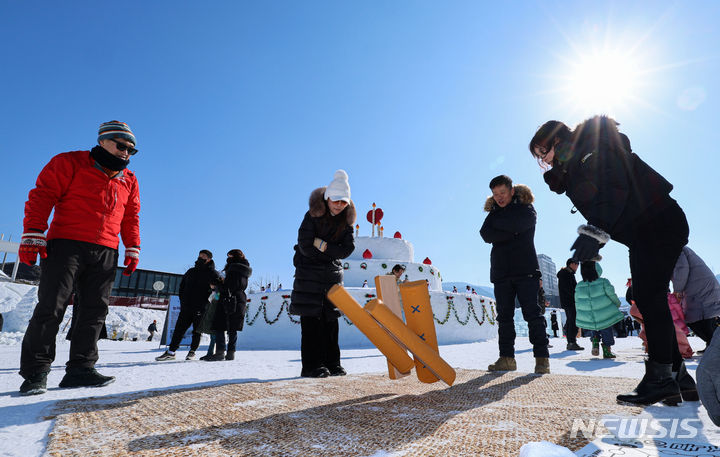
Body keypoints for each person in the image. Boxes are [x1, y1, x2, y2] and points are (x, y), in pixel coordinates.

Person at [529, 115, 693, 405]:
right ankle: (678, 377)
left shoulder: (594, 148)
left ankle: (662, 379)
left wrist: (594, 233)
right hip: (646, 230)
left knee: (649, 297)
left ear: (557, 140)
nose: (543, 160)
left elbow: (614, 187)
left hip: (657, 222)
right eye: (538, 158)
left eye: (543, 151)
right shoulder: (576, 165)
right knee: (649, 297)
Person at [18, 120, 141, 396]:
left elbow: (131, 216)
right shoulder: (69, 162)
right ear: (103, 141)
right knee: (52, 305)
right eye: (121, 146)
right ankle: (36, 372)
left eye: (132, 151)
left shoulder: (129, 180)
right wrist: (34, 232)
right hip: (66, 245)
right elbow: (42, 195)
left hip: (106, 250)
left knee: (95, 311)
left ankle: (80, 368)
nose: (126, 154)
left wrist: (132, 246)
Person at [480, 175, 549, 374]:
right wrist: (511, 232)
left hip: (525, 270)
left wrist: (502, 231)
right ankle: (507, 358)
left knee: (532, 315)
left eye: (502, 193)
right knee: (504, 318)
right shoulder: (493, 213)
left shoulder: (527, 209)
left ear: (512, 191)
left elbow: (517, 225)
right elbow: (485, 234)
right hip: (501, 272)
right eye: (495, 194)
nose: (499, 198)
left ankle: (542, 359)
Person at [290, 170, 356, 378]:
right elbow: (304, 245)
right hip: (309, 277)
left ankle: (333, 363)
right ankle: (311, 366)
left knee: (330, 321)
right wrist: (328, 252)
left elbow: (346, 250)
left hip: (332, 277)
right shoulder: (311, 216)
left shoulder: (345, 223)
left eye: (343, 202)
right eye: (335, 200)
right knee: (311, 322)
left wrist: (324, 247)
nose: (338, 205)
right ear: (327, 198)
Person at [156, 250, 220, 361]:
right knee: (179, 329)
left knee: (197, 331)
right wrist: (183, 301)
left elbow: (217, 290)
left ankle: (192, 352)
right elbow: (182, 287)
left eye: (203, 256)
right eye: (199, 256)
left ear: (209, 259)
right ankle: (171, 352)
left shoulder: (213, 273)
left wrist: (208, 299)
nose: (200, 258)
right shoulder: (191, 271)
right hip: (186, 306)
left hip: (201, 307)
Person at [205, 249, 252, 361]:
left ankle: (220, 352)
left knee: (219, 325)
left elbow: (229, 286)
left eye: (229, 256)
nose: (228, 258)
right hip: (240, 299)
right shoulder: (244, 270)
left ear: (234, 257)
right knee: (233, 328)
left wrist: (218, 283)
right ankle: (231, 353)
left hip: (228, 299)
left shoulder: (233, 269)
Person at [671, 246, 720, 349]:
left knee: (701, 321)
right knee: (697, 320)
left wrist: (677, 290)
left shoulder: (676, 249)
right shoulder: (676, 248)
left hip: (702, 290)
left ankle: (714, 346)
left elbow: (681, 270)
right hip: (699, 289)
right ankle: (712, 345)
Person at [574, 261, 623, 359]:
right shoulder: (603, 281)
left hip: (589, 314)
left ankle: (595, 343)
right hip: (604, 313)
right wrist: (617, 303)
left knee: (594, 327)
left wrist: (580, 313)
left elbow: (577, 302)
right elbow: (611, 295)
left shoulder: (579, 285)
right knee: (606, 329)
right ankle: (607, 350)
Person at [557, 259, 583, 351]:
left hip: (568, 301)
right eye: (576, 264)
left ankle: (571, 342)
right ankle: (572, 342)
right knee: (573, 321)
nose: (577, 266)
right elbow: (568, 289)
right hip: (570, 301)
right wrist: (576, 296)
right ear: (571, 264)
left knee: (570, 321)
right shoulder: (566, 274)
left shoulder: (567, 273)